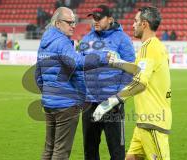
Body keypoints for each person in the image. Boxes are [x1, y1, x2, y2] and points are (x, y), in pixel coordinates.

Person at [93, 6, 172, 160]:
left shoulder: (149, 47)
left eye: (136, 21)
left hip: (153, 121)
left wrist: (110, 102)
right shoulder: (155, 46)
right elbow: (138, 70)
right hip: (145, 121)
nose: (132, 25)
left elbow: (140, 82)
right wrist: (118, 62)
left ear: (145, 24)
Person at [35, 7, 109, 160]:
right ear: (57, 23)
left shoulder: (44, 42)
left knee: (49, 148)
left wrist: (49, 92)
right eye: (69, 22)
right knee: (61, 151)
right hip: (65, 104)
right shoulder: (62, 42)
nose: (73, 25)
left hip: (49, 102)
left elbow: (38, 75)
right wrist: (101, 58)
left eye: (74, 22)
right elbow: (76, 63)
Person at [79, 4, 135, 160]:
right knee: (89, 151)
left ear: (110, 19)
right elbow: (78, 67)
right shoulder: (86, 39)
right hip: (89, 103)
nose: (95, 21)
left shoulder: (123, 39)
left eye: (99, 18)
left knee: (117, 152)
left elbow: (130, 70)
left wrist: (116, 97)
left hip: (112, 104)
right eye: (93, 18)